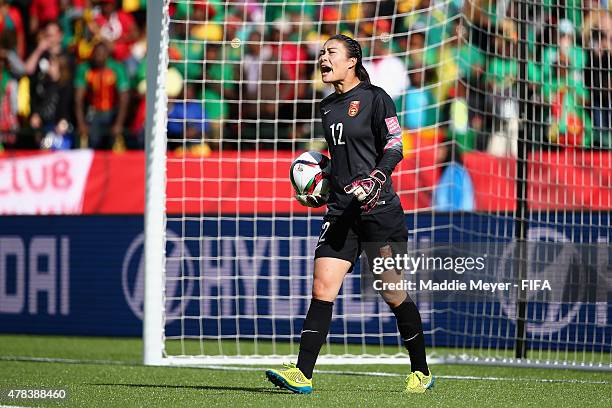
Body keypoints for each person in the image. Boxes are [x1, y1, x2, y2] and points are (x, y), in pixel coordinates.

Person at [265, 34, 433, 395]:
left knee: (392, 293)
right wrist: (321, 186)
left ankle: (421, 371)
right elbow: (341, 159)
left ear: (352, 61)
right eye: (322, 52)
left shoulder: (376, 99)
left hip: (379, 210)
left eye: (331, 53)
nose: (323, 57)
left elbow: (394, 146)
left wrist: (376, 178)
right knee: (322, 287)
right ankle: (302, 373)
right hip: (341, 210)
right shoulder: (327, 107)